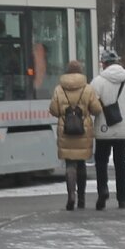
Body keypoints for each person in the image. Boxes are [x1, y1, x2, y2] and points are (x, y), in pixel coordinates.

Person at [90, 49, 125, 209]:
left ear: (104, 64)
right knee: (121, 163)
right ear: (118, 63)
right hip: (123, 131)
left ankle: (103, 191)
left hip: (103, 129)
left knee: (101, 162)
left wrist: (90, 129)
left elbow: (91, 107)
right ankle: (122, 198)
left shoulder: (97, 82)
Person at [48, 58, 103, 211]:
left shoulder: (59, 89)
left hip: (65, 131)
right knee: (81, 165)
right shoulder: (88, 89)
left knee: (70, 164)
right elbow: (97, 109)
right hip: (83, 132)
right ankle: (82, 199)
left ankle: (70, 194)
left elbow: (53, 110)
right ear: (80, 72)